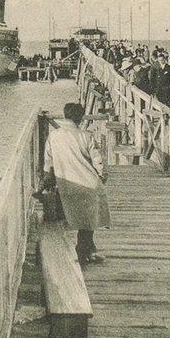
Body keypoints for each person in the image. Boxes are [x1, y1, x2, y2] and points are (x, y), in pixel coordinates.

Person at [43, 103, 111, 266]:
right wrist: (102, 175)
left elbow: (48, 161)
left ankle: (83, 250)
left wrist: (47, 179)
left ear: (66, 116)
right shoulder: (86, 136)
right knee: (88, 220)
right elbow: (98, 160)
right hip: (88, 183)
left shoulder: (54, 136)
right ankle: (85, 249)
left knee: (66, 218)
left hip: (66, 183)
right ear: (80, 118)